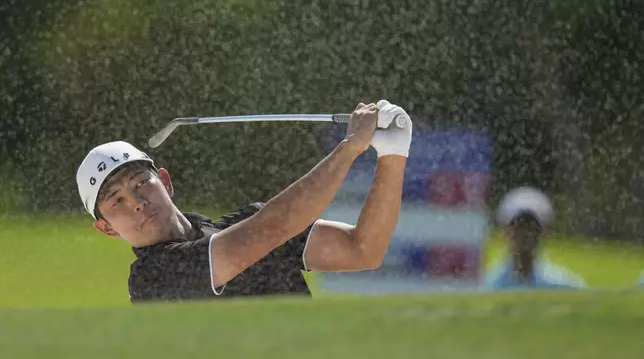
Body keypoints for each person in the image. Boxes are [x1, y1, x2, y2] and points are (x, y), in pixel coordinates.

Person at [75, 101, 412, 303]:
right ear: (106, 228)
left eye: (140, 183)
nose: (136, 201)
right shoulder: (151, 279)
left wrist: (393, 153)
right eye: (116, 201)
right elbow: (273, 228)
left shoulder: (247, 221)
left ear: (165, 181)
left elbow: (363, 249)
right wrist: (350, 147)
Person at [482, 186, 588, 290]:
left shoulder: (566, 288)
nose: (525, 233)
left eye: (532, 226)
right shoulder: (486, 287)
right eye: (518, 226)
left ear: (545, 232)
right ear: (504, 231)